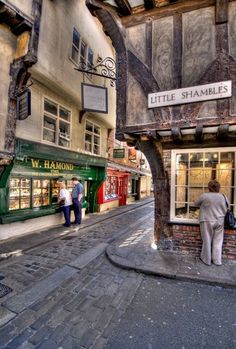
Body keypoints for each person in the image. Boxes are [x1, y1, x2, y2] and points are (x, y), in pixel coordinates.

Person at [195, 179, 228, 266]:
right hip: (220, 220)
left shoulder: (205, 196)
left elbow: (196, 203)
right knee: (218, 241)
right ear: (218, 188)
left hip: (207, 220)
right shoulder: (224, 196)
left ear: (209, 187)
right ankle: (217, 261)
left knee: (207, 240)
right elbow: (227, 207)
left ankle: (207, 260)